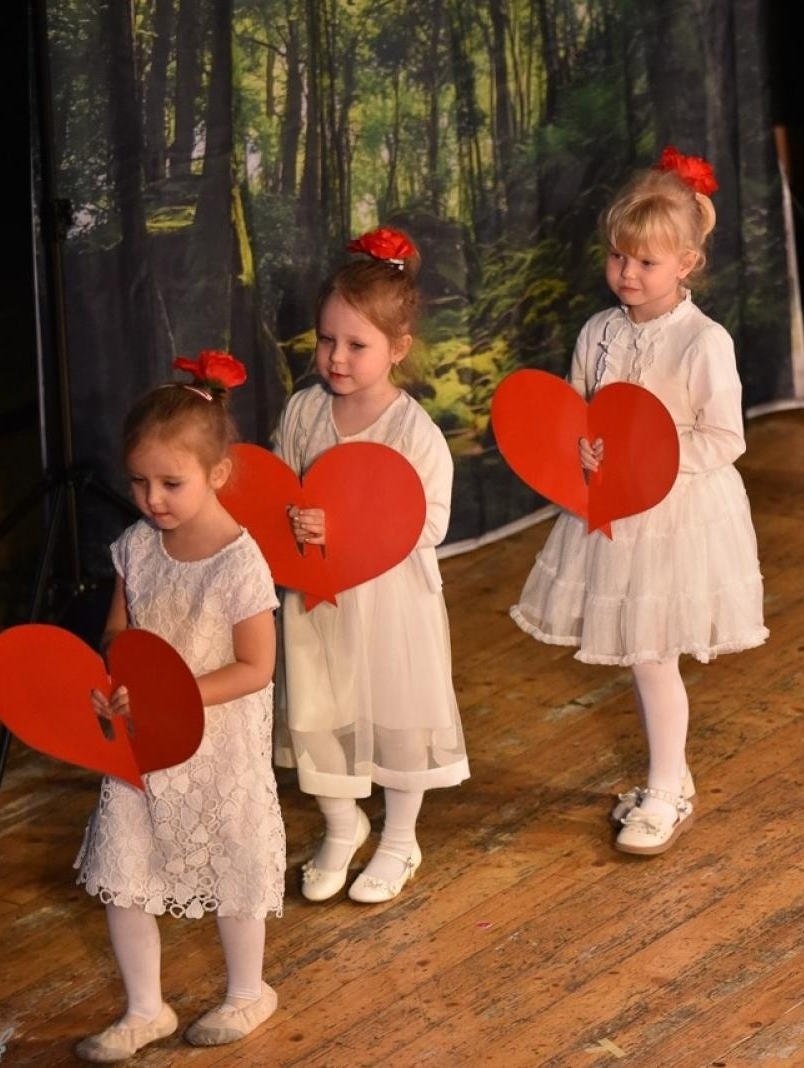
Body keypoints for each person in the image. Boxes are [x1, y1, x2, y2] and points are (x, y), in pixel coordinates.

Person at [510, 147, 768, 856]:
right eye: (618, 256)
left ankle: (664, 793)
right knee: (639, 651)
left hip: (676, 515)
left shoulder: (703, 341)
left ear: (687, 263)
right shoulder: (598, 331)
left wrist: (651, 462)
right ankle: (672, 775)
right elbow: (579, 415)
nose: (627, 273)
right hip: (613, 514)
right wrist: (586, 453)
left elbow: (725, 438)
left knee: (652, 653)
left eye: (646, 262)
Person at [73, 351, 283, 1060]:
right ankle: (145, 1007)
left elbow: (256, 667)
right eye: (138, 481)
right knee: (125, 871)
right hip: (146, 743)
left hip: (217, 745)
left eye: (171, 483)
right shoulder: (136, 548)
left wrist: (174, 692)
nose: (152, 499)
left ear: (217, 473)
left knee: (232, 864)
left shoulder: (239, 563)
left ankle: (248, 992)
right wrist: (115, 677)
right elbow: (117, 630)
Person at [275, 227, 468, 904]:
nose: (336, 357)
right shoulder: (304, 412)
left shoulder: (412, 431)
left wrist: (350, 528)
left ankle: (399, 838)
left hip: (389, 601)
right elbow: (283, 490)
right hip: (318, 599)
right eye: (327, 339)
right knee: (317, 711)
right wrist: (292, 520)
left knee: (396, 716)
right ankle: (342, 823)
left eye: (357, 345)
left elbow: (430, 522)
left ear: (398, 348)